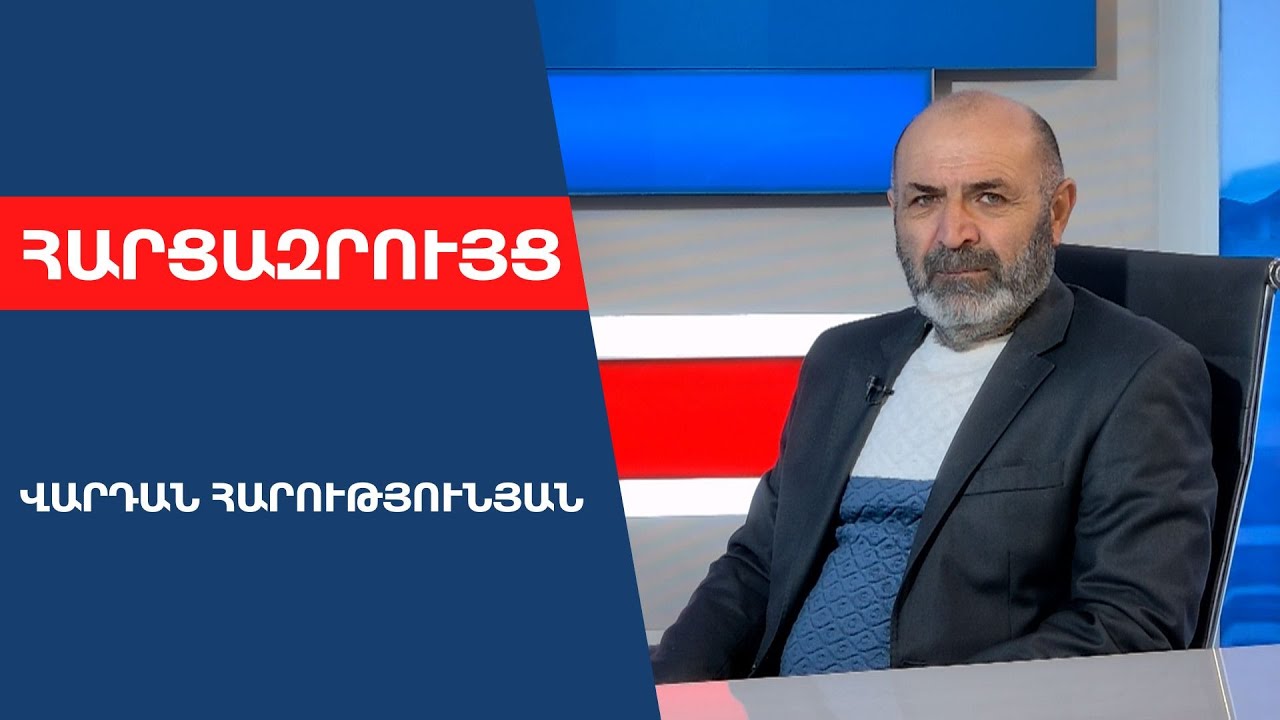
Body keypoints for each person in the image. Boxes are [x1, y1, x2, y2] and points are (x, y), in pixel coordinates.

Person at [649, 90, 1217, 683]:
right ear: (894, 211)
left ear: (1056, 211)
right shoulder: (841, 358)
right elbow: (756, 567)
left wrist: (916, 706)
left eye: (989, 197)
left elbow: (1128, 626)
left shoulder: (1138, 374)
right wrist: (666, 689)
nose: (953, 234)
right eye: (925, 200)